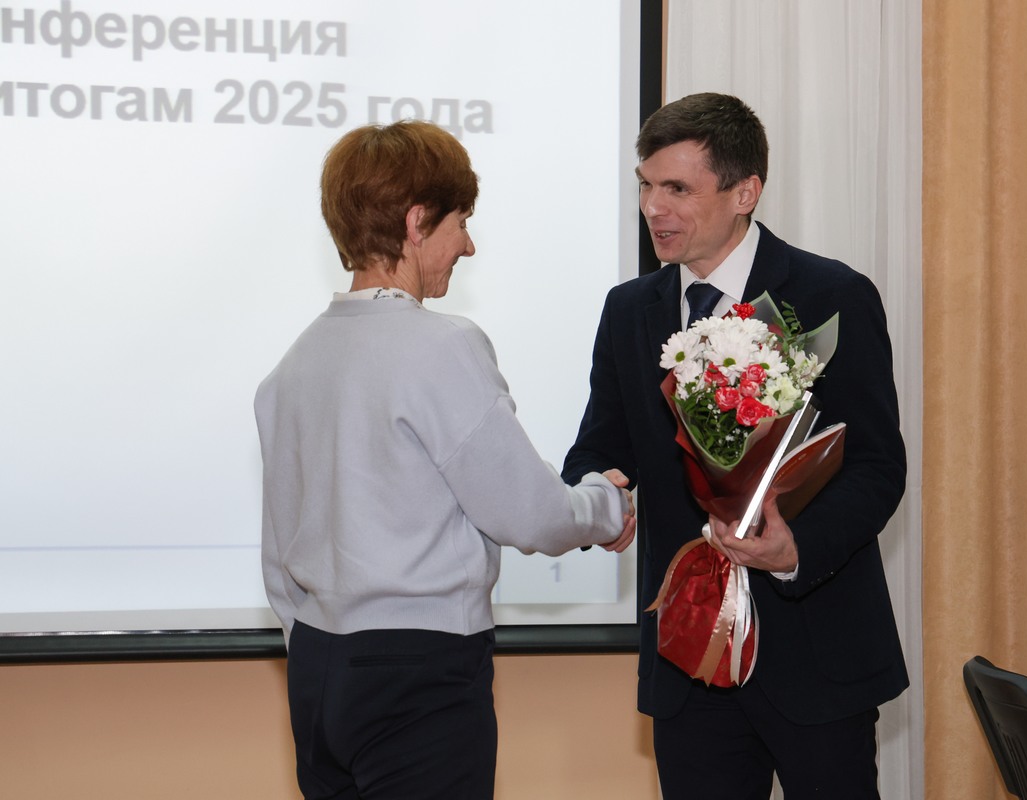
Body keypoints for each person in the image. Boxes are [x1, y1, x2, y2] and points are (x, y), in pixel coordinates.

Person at [255, 120, 636, 800]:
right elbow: (531, 515)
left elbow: (279, 554)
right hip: (418, 675)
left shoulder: (292, 366)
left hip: (317, 671)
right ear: (416, 221)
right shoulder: (442, 347)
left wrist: (325, 651)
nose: (468, 244)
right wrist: (607, 506)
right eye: (461, 222)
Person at [562, 93, 907, 799]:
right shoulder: (629, 310)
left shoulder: (832, 294)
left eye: (677, 189)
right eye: (646, 186)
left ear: (745, 192)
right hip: (690, 664)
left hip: (818, 654)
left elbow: (877, 466)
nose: (653, 208)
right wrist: (601, 495)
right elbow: (598, 448)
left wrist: (795, 548)